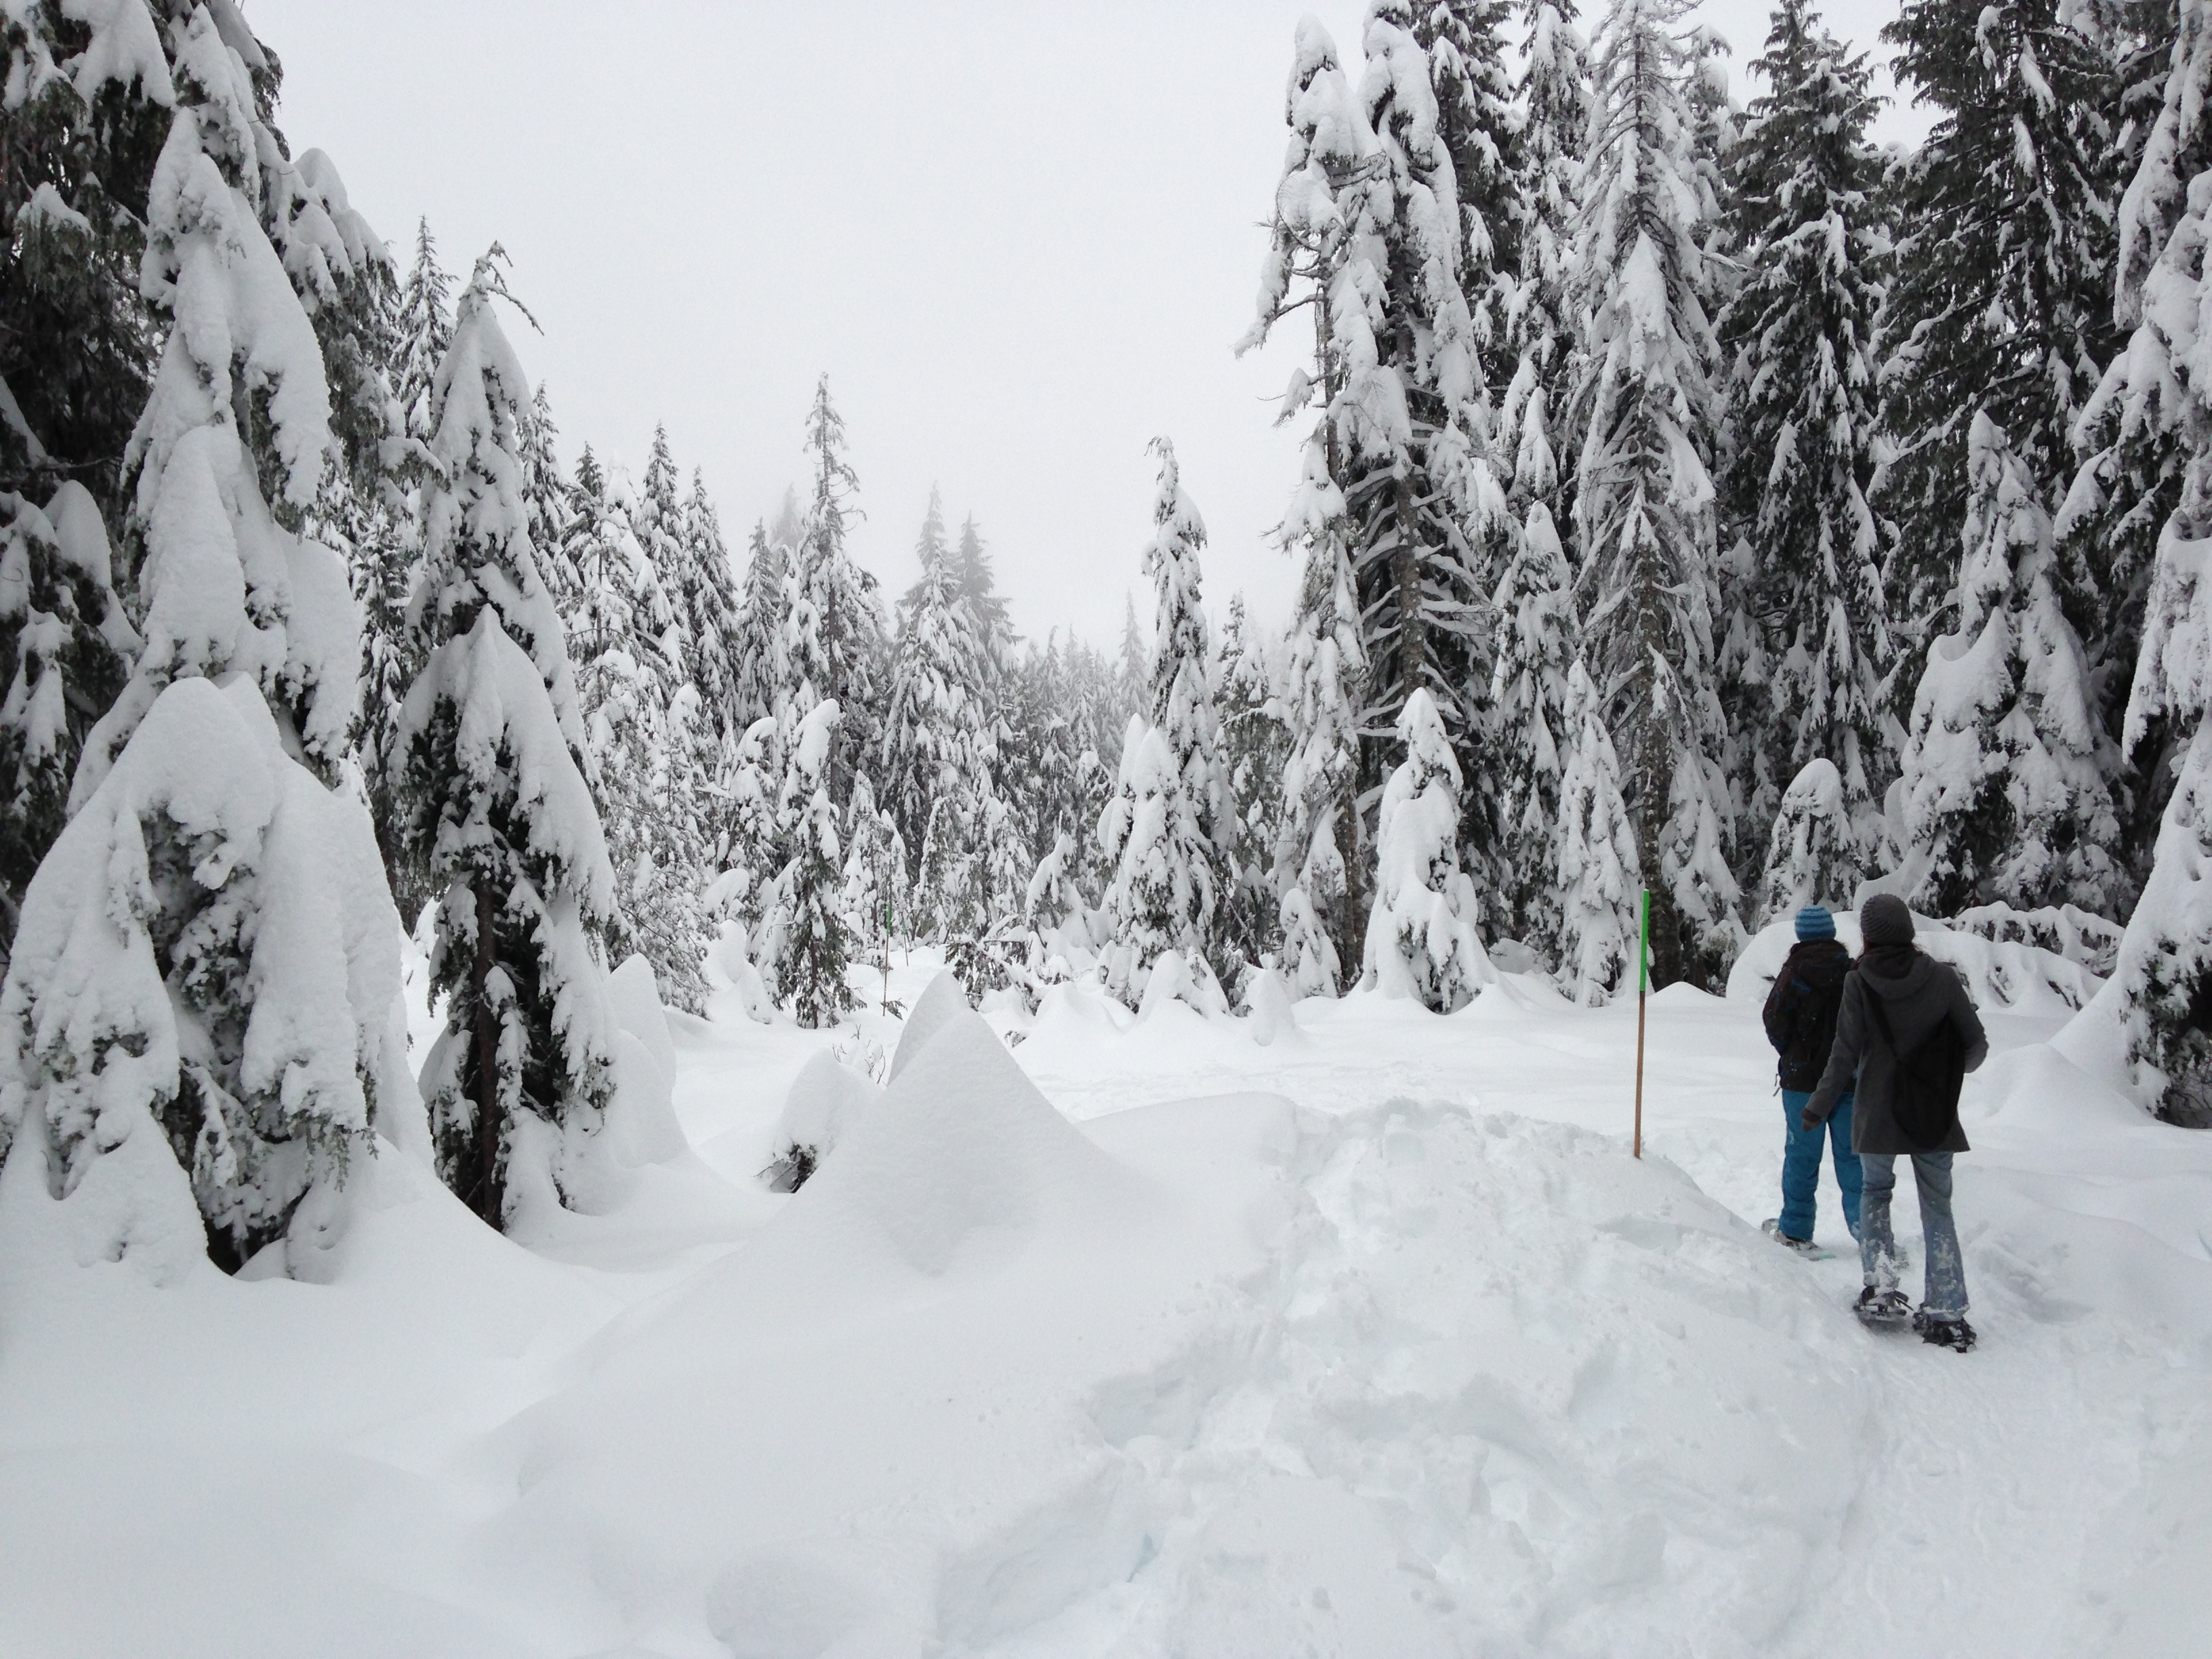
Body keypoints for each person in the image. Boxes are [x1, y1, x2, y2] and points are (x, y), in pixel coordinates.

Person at [1803, 893, 1988, 1351]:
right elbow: (1976, 1046)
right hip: (1934, 1112)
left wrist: (1818, 1106)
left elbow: (1844, 1055)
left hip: (1879, 1113)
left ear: (1868, 936)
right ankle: (1947, 1307)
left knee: (1875, 1194)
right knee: (1938, 1207)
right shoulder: (1942, 979)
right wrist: (1940, 1077)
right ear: (1907, 930)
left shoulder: (1858, 982)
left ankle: (1882, 1289)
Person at [1759, 905, 1861, 1255]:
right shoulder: (1852, 971)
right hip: (1849, 1080)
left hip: (1802, 1083)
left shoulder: (1794, 971)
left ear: (1801, 934)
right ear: (1831, 932)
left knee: (1802, 1157)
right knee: (1854, 1158)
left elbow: (1773, 1020)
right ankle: (1871, 1234)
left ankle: (1796, 1231)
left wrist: (1793, 1052)